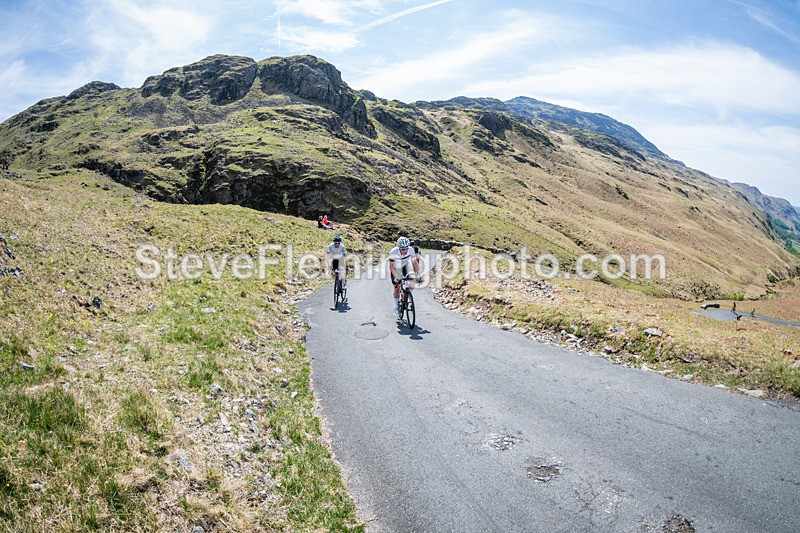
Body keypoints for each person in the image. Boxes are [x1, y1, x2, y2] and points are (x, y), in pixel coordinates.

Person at [388, 236, 419, 317]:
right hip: (396, 268)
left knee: (413, 281)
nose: (405, 251)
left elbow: (415, 262)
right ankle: (396, 307)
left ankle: (409, 296)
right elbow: (391, 266)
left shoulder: (411, 250)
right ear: (399, 248)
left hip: (405, 266)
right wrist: (396, 276)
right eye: (403, 249)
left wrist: (418, 274)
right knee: (397, 288)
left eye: (406, 249)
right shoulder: (393, 252)